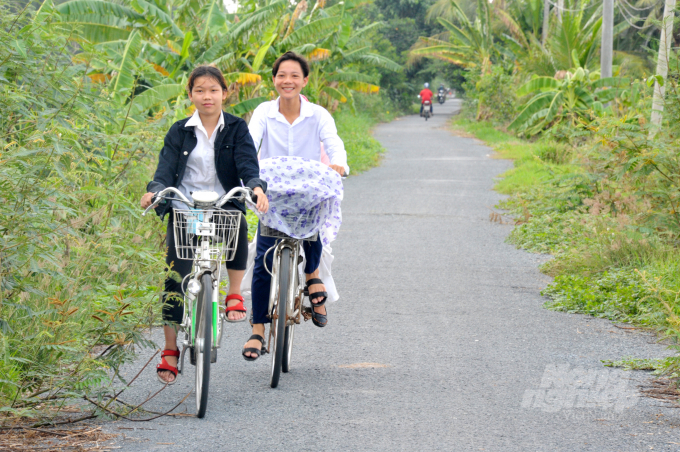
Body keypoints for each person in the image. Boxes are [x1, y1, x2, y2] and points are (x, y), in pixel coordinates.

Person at [140, 65, 269, 383]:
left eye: (213, 90)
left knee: (237, 221)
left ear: (225, 93)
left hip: (223, 205)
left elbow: (247, 163)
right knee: (175, 278)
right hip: (186, 208)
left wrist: (255, 187)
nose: (207, 96)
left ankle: (234, 293)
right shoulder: (179, 130)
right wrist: (154, 192)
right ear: (191, 95)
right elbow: (165, 170)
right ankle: (170, 349)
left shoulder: (237, 128)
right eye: (200, 90)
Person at [243, 51, 349, 361]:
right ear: (274, 80)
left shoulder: (318, 115)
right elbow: (251, 143)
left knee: (315, 217)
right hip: (273, 188)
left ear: (304, 80)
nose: (287, 81)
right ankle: (259, 329)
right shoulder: (264, 112)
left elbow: (333, 143)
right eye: (281, 75)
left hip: (307, 184)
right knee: (263, 257)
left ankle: (312, 272)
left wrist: (338, 164)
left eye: (294, 76)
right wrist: (247, 172)